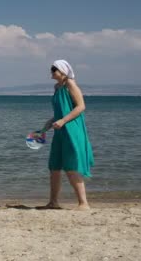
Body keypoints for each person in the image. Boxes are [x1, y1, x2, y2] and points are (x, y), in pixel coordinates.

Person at [38, 60, 94, 210]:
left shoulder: (70, 84)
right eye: (51, 69)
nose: (51, 72)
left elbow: (81, 106)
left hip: (72, 130)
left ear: (63, 71)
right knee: (54, 167)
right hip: (59, 130)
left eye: (54, 69)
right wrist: (48, 124)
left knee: (71, 167)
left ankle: (83, 204)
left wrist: (63, 121)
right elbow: (60, 111)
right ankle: (53, 202)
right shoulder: (57, 87)